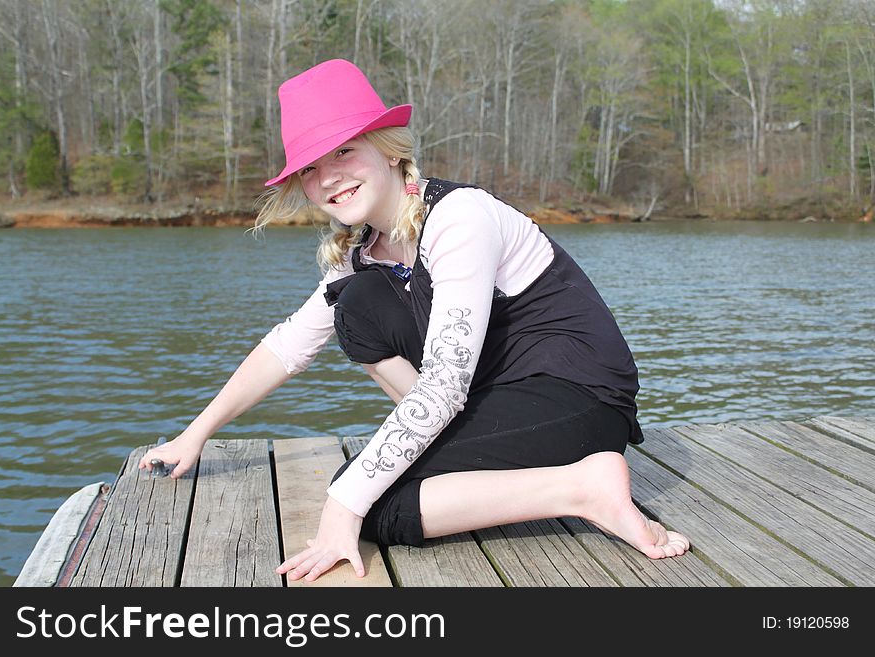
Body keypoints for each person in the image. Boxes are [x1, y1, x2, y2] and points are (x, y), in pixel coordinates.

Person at [139, 59, 689, 582]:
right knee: (356, 306)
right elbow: (288, 347)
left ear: (388, 150)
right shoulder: (365, 254)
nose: (328, 178)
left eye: (344, 152)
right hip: (491, 397)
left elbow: (446, 383)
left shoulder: (459, 218)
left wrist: (343, 503)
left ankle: (582, 488)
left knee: (371, 503)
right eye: (310, 169)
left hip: (578, 398)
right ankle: (475, 457)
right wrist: (195, 436)